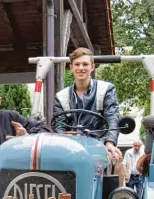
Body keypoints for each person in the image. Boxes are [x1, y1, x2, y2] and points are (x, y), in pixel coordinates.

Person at [53, 47, 125, 186]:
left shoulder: (106, 89)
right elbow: (59, 126)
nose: (81, 68)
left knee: (116, 158)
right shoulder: (61, 96)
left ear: (92, 67)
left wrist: (110, 142)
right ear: (71, 68)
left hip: (99, 143)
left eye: (85, 64)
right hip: (71, 146)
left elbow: (112, 117)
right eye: (77, 64)